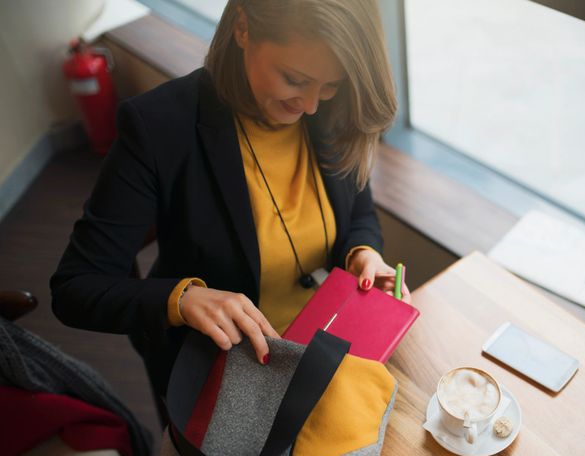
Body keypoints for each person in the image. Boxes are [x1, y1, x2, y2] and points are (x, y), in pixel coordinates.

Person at [50, 0, 410, 404]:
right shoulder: (158, 128)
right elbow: (74, 288)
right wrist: (184, 300)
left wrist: (362, 254)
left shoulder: (332, 107)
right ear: (243, 27)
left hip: (319, 340)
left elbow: (358, 210)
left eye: (329, 86)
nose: (310, 105)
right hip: (217, 368)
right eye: (293, 79)